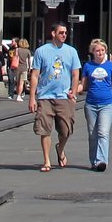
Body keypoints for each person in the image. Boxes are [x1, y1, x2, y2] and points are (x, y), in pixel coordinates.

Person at [29, 22, 81, 172]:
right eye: (61, 33)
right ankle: (46, 161)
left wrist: (74, 91)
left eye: (65, 33)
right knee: (44, 129)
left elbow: (76, 73)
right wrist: (32, 97)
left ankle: (60, 148)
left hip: (64, 96)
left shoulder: (71, 51)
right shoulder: (41, 51)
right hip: (45, 96)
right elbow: (35, 75)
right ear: (53, 33)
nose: (64, 35)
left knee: (66, 130)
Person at [80, 38, 112, 171]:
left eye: (103, 50)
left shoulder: (111, 66)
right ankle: (94, 161)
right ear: (92, 52)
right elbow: (83, 85)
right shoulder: (88, 66)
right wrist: (72, 91)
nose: (100, 53)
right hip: (91, 104)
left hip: (107, 104)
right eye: (97, 50)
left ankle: (102, 161)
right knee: (92, 134)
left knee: (103, 132)